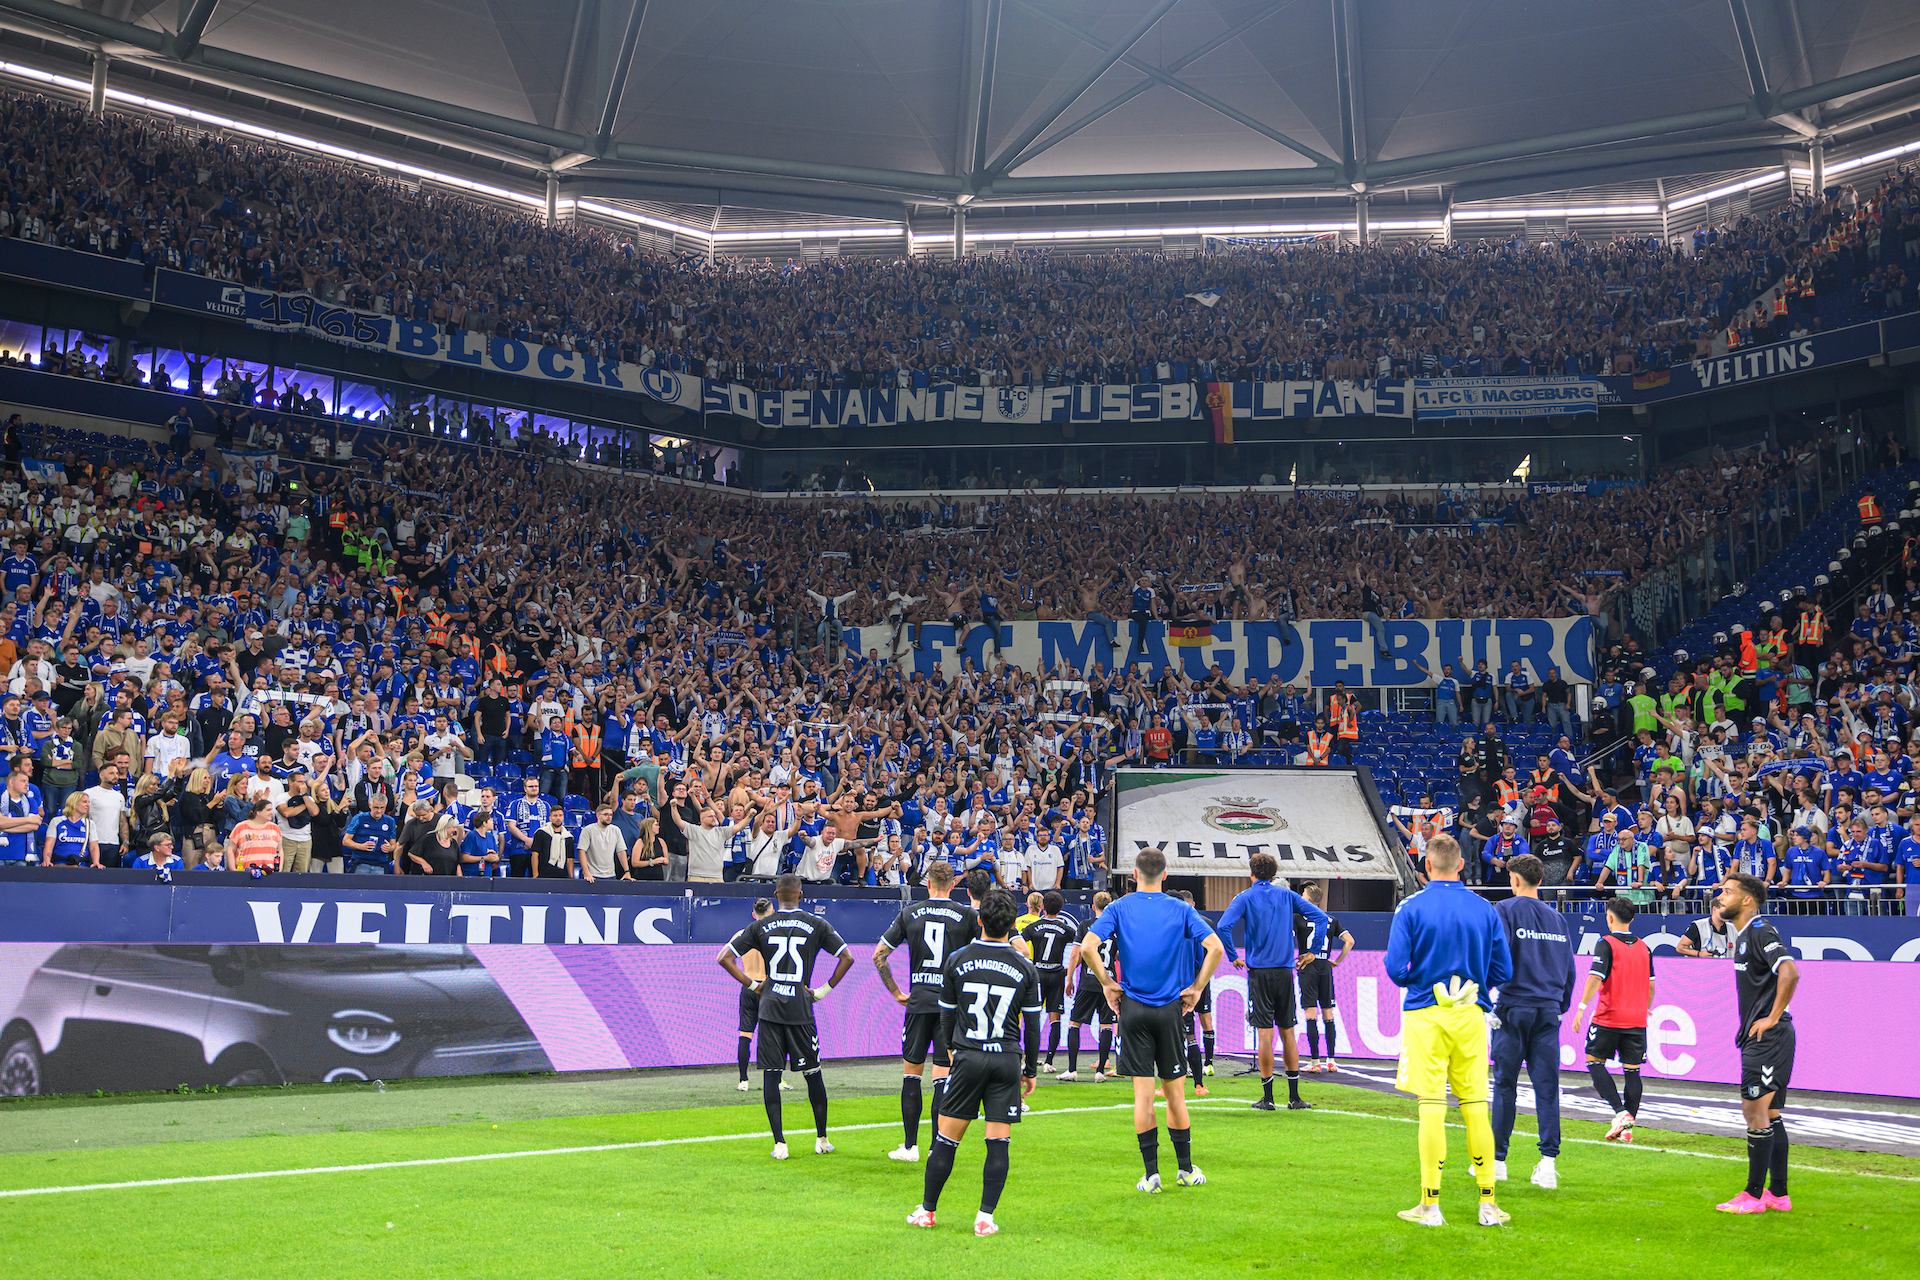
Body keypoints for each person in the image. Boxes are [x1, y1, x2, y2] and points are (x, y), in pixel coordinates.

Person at [1385, 833, 1514, 1228]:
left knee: (1432, 1105)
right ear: (1461, 865)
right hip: (1471, 1013)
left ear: (1426, 866)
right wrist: (1473, 984)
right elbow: (1503, 971)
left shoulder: (1410, 907)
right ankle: (1489, 1204)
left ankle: (1430, 1205)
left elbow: (1394, 969)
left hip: (1427, 1014)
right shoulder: (1484, 909)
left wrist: (1424, 979)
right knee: (1475, 1104)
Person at [1079, 846, 1225, 1192]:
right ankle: (1186, 1171)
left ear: (1133, 875)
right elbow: (1216, 948)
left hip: (1133, 1009)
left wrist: (1107, 984)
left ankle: (1151, 1175)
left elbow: (1087, 947)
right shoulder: (1180, 908)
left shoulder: (1118, 907)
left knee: (1143, 1097)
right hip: (1170, 1009)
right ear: (1164, 875)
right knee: (1175, 1096)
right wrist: (1196, 988)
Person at [906, 890, 1041, 1237]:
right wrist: (1030, 1071)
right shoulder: (1025, 967)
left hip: (968, 1056)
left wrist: (951, 1050)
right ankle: (985, 1217)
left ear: (978, 919)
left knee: (946, 1140)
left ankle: (927, 1211)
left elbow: (946, 1016)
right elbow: (1033, 1026)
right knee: (998, 1141)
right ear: (1012, 926)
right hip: (1006, 1059)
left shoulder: (957, 959)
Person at [719, 873, 855, 1161]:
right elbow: (847, 957)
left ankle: (780, 1144)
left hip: (769, 1007)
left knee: (771, 1074)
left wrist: (754, 984)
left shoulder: (760, 925)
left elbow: (724, 957)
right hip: (801, 1009)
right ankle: (822, 1138)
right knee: (813, 1074)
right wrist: (822, 991)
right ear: (801, 895)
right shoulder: (816, 923)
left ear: (775, 896)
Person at [874, 861, 980, 1162]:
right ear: (953, 885)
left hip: (918, 1003)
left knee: (911, 1076)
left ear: (928, 884)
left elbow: (879, 955)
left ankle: (909, 1147)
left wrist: (896, 992)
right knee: (942, 1078)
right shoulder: (967, 915)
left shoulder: (909, 913)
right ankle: (936, 1146)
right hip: (951, 1007)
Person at [1713, 872, 1801, 1214]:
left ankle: (1752, 1196)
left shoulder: (1761, 931)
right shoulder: (1744, 934)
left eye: (1728, 891)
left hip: (1768, 1037)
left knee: (1754, 1114)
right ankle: (1778, 1195)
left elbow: (1790, 972)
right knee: (1771, 1113)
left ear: (1747, 899)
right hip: (1765, 1037)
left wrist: (1772, 1016)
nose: (1721, 896)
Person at [1489, 854, 1575, 1191]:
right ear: (1539, 880)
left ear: (1514, 879)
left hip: (1514, 1007)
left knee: (1505, 1085)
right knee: (1547, 1088)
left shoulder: (1505, 910)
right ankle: (1549, 1164)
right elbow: (1569, 971)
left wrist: (1493, 996)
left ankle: (1497, 1161)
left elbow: (1496, 956)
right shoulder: (1557, 918)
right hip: (1548, 1011)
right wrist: (1558, 1005)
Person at [1216, 851, 1328, 1110]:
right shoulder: (1287, 896)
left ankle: (1267, 1098)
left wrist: (1233, 956)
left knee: (1265, 1034)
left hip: (1259, 973)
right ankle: (1295, 1097)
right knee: (1287, 1031)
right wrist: (1312, 952)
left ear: (1251, 874)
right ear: (1275, 873)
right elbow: (1321, 918)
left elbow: (1223, 926)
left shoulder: (1245, 897)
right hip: (1285, 972)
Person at [1572, 897, 1655, 1145]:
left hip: (1609, 1016)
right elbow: (1651, 986)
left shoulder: (1605, 943)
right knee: (1632, 1071)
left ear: (1609, 917)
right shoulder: (1644, 947)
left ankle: (1620, 1112)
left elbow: (1595, 979)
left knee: (1594, 1062)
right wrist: (1645, 1008)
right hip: (1637, 1019)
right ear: (1632, 918)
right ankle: (1627, 1128)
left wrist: (1581, 1008)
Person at [715, 898, 775, 1092]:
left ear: (753, 914)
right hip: (768, 988)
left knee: (745, 1034)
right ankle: (778, 1080)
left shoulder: (743, 934)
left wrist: (748, 982)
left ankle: (743, 1080)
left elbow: (722, 956)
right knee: (774, 1036)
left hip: (749, 987)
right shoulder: (775, 935)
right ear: (772, 913)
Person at [1295, 881, 1353, 1072]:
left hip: (1308, 966)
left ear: (1309, 900)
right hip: (1325, 967)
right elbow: (1349, 941)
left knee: (1311, 1013)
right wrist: (1337, 961)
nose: (1301, 897)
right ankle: (1331, 1060)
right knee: (1328, 1012)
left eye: (1303, 895)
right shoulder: (1331, 920)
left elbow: (1287, 937)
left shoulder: (1298, 917)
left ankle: (1314, 1062)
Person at [1019, 891, 1079, 1074]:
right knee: (1055, 1018)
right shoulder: (1067, 930)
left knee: (1033, 1017)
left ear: (1043, 907)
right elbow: (1079, 948)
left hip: (1037, 974)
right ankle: (1049, 1061)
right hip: (1056, 975)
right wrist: (1071, 968)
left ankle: (1029, 1060)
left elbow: (1018, 945)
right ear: (1060, 909)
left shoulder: (1034, 927)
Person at [1060, 891, 1115, 1081]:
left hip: (1088, 981)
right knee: (1106, 1025)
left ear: (1093, 907)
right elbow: (1119, 955)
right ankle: (1100, 1070)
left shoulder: (1085, 926)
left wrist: (1069, 979)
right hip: (1108, 982)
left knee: (1074, 1023)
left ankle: (1072, 1069)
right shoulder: (1116, 928)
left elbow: (1076, 955)